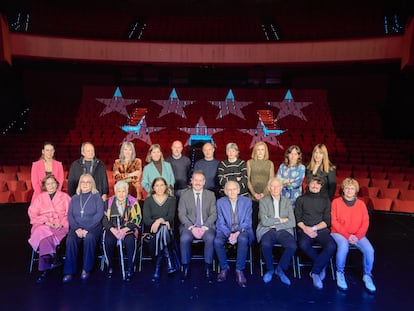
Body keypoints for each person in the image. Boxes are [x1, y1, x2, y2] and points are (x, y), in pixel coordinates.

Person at [331, 178, 376, 293]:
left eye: (352, 188)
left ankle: (367, 275)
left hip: (357, 235)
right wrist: (347, 235)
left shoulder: (361, 204)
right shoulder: (336, 202)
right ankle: (340, 272)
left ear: (355, 190)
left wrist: (357, 235)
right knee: (344, 246)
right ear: (343, 189)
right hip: (338, 232)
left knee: (369, 250)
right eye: (347, 188)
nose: (349, 191)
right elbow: (334, 221)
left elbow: (365, 221)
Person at [295, 174, 336, 290]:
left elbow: (327, 221)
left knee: (331, 245)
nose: (315, 185)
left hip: (320, 229)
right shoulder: (301, 199)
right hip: (304, 229)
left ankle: (315, 271)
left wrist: (313, 229)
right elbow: (298, 219)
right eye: (312, 183)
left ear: (321, 186)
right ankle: (321, 264)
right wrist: (306, 229)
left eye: (318, 183)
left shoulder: (325, 200)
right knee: (303, 244)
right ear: (308, 184)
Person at [28, 174, 71, 283]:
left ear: (57, 184)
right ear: (44, 186)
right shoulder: (39, 198)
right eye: (48, 184)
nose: (51, 186)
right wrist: (46, 222)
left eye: (53, 183)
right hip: (43, 224)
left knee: (44, 239)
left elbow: (70, 214)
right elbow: (32, 214)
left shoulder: (65, 197)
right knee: (41, 231)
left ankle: (45, 269)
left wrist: (61, 223)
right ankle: (54, 258)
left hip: (60, 225)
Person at [62, 174, 104, 283]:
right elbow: (70, 215)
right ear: (79, 184)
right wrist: (76, 229)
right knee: (70, 240)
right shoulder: (75, 198)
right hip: (77, 227)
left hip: (93, 227)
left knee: (90, 238)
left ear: (92, 184)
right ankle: (69, 271)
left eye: (88, 182)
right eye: (83, 182)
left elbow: (99, 215)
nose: (85, 184)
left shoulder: (97, 197)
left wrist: (87, 229)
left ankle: (86, 269)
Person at [256, 177, 297, 286]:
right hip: (267, 229)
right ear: (269, 188)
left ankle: (280, 269)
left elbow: (292, 222)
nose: (275, 188)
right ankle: (270, 269)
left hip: (283, 230)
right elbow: (264, 221)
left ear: (281, 187)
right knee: (265, 244)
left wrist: (275, 224)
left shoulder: (287, 201)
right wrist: (279, 220)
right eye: (272, 186)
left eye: (277, 186)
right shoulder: (263, 201)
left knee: (292, 246)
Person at [178, 170, 217, 283]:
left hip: (206, 226)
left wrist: (204, 227)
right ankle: (185, 267)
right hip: (189, 226)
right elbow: (181, 214)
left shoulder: (210, 195)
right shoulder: (184, 194)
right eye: (195, 180)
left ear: (204, 182)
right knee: (184, 238)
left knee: (210, 238)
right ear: (191, 181)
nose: (198, 183)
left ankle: (208, 267)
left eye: (200, 180)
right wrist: (192, 227)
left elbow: (214, 214)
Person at [214, 181, 254, 287]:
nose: (232, 192)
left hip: (242, 230)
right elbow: (220, 222)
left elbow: (247, 222)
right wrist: (229, 234)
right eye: (229, 190)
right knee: (217, 241)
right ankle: (224, 267)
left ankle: (239, 270)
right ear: (225, 191)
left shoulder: (247, 201)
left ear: (238, 190)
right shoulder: (220, 202)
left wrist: (236, 233)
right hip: (225, 229)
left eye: (234, 189)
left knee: (243, 239)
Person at [102, 180, 141, 282]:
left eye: (123, 191)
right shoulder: (108, 202)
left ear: (127, 192)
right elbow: (104, 219)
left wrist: (125, 230)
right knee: (108, 241)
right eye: (119, 191)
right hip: (113, 229)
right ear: (115, 192)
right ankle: (110, 266)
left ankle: (130, 268)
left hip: (127, 229)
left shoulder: (133, 202)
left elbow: (137, 218)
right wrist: (113, 230)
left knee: (130, 241)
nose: (121, 194)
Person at [143, 177, 179, 282]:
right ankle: (169, 263)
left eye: (162, 185)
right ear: (153, 187)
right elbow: (146, 220)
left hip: (168, 231)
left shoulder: (171, 199)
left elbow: (171, 217)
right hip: (152, 231)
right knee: (163, 228)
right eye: (157, 185)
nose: (159, 188)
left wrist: (159, 221)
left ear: (166, 186)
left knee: (163, 229)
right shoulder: (149, 200)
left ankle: (157, 269)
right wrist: (159, 222)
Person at [246, 141, 274, 231]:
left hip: (266, 196)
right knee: (253, 220)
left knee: (264, 220)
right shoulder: (250, 162)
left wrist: (263, 194)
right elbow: (248, 180)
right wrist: (254, 194)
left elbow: (271, 180)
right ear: (255, 151)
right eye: (258, 150)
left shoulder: (270, 163)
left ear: (265, 151)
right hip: (252, 196)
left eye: (262, 150)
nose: (260, 152)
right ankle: (253, 243)